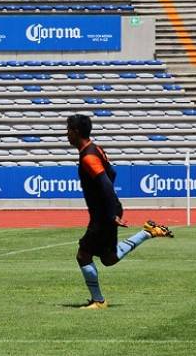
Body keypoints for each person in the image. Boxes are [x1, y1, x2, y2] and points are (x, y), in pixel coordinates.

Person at [67, 114, 174, 310]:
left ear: (76, 132)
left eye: (68, 130)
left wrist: (111, 213)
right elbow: (112, 173)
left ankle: (98, 301)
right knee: (109, 258)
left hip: (104, 213)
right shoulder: (95, 148)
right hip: (107, 210)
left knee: (83, 254)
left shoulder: (89, 157)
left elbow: (106, 184)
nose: (66, 134)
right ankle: (148, 231)